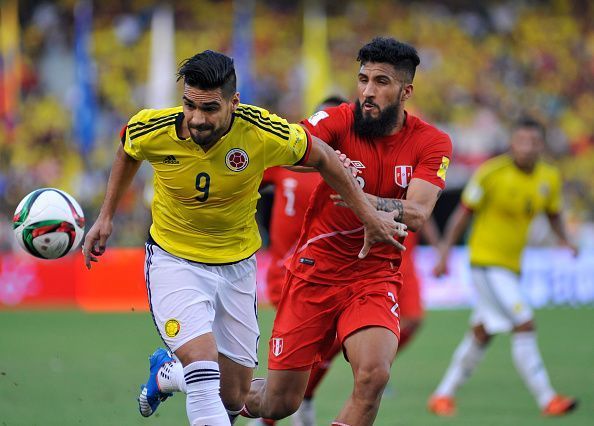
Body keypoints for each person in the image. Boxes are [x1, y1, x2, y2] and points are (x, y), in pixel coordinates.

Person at [81, 50, 406, 426]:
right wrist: (105, 216)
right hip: (175, 261)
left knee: (234, 397)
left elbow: (325, 158)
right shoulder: (153, 128)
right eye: (189, 105)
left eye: (210, 108)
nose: (197, 119)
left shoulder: (262, 132)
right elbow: (127, 148)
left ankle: (166, 375)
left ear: (234, 102)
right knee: (203, 369)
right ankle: (183, 371)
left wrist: (367, 216)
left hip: (236, 268)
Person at [241, 37, 453, 426]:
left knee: (374, 376)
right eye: (363, 79)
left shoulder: (432, 142)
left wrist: (356, 195)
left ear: (406, 91)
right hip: (315, 272)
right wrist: (322, 159)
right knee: (278, 404)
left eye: (381, 82)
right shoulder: (338, 119)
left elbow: (419, 212)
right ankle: (217, 389)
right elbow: (295, 150)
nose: (368, 91)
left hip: (374, 276)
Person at [427, 117, 578, 417]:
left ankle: (442, 396)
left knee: (482, 332)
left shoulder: (549, 178)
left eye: (533, 142)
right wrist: (444, 252)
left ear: (541, 145)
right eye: (521, 141)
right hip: (485, 263)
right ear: (512, 143)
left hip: (511, 267)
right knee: (524, 322)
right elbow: (463, 214)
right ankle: (548, 399)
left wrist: (566, 240)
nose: (527, 147)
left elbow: (553, 214)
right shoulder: (492, 173)